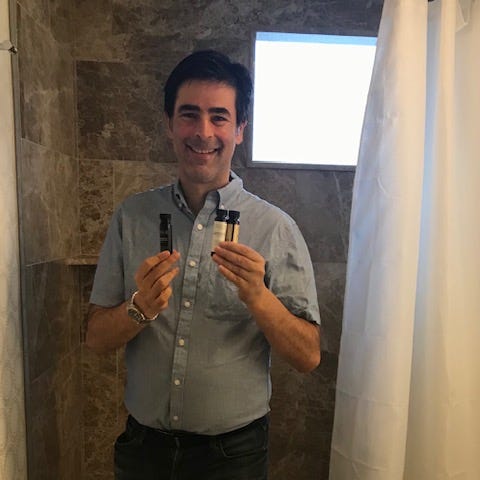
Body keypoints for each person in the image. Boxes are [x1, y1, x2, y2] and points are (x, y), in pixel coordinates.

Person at [86, 49, 321, 480]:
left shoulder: (275, 228)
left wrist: (258, 297)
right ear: (169, 124)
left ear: (240, 130)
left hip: (233, 457)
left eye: (219, 117)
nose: (203, 132)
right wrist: (141, 308)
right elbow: (97, 339)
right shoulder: (131, 216)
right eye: (189, 115)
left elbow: (307, 355)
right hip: (143, 451)